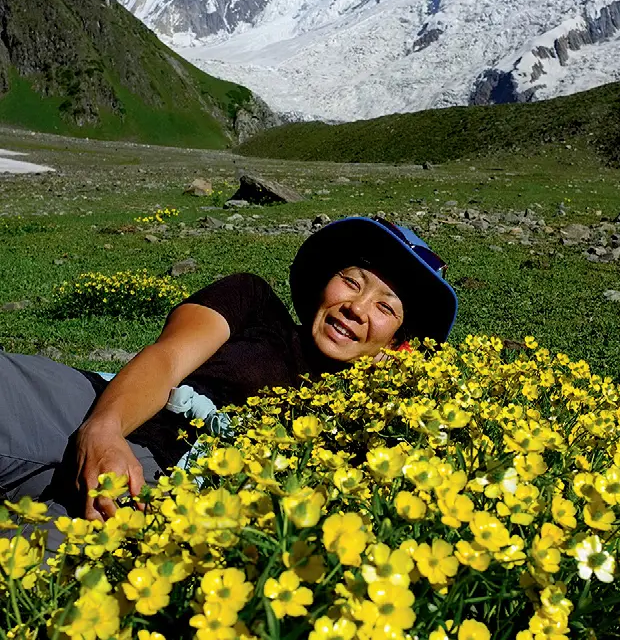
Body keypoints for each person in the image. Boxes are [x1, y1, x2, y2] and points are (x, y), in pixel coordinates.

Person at [0, 216, 457, 543]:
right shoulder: (252, 300)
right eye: (352, 282)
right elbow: (168, 358)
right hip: (100, 407)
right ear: (325, 282)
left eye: (385, 307)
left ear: (401, 341)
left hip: (171, 501)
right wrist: (103, 430)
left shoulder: (369, 419)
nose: (357, 308)